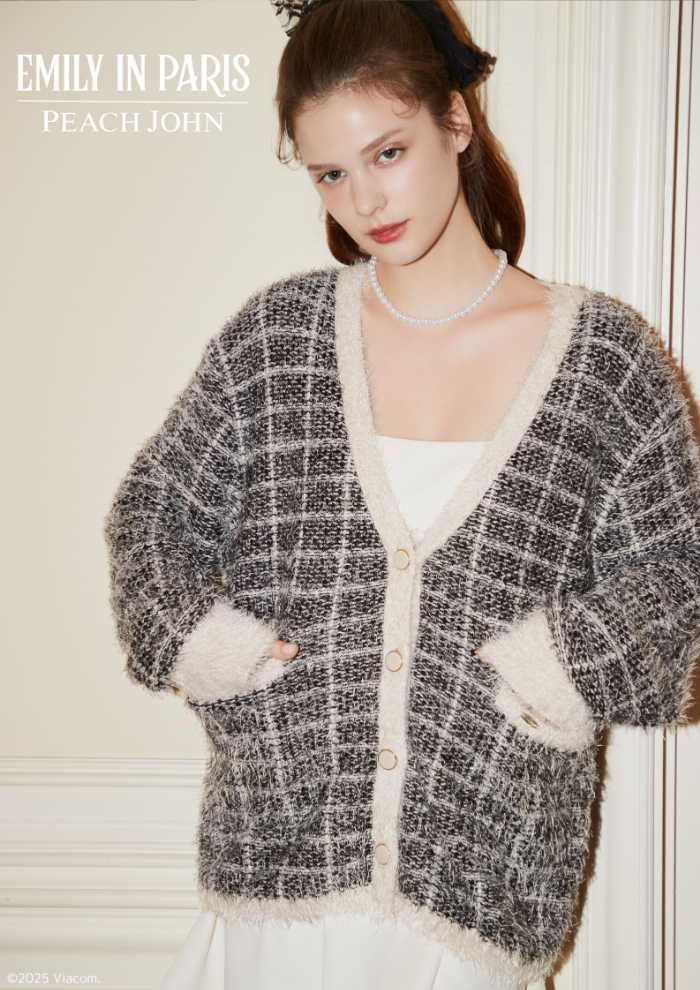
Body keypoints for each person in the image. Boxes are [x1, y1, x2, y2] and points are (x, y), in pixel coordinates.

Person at [102, 1, 700, 988]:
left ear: (455, 121)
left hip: (473, 905)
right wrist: (200, 644)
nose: (364, 199)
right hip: (275, 899)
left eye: (388, 152)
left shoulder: (606, 366)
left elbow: (677, 576)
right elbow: (152, 518)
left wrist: (560, 666)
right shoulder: (277, 345)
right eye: (329, 172)